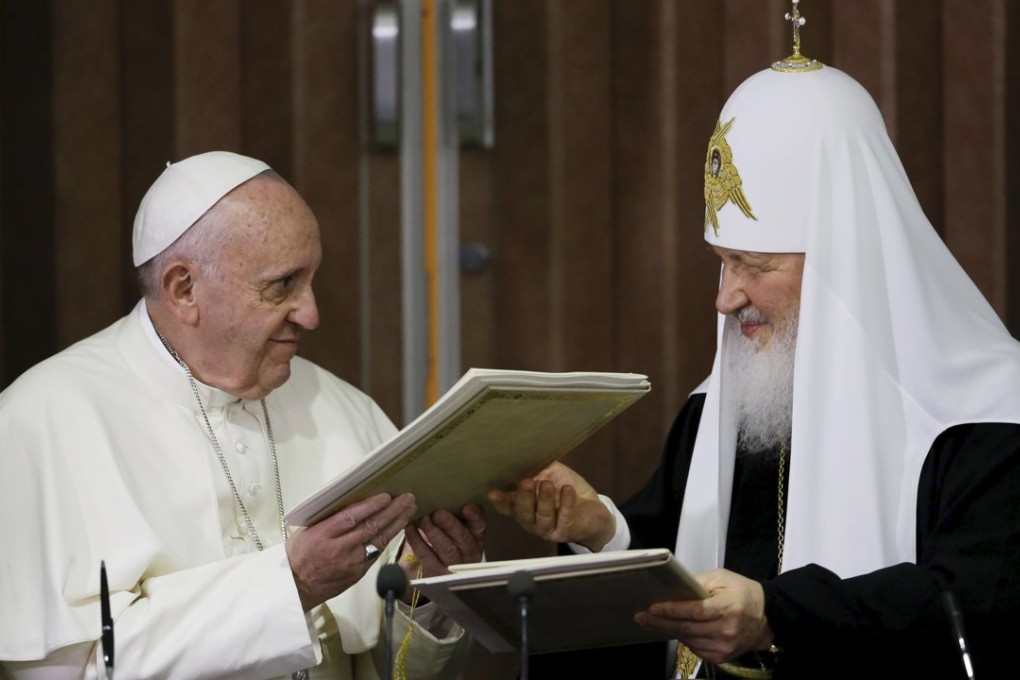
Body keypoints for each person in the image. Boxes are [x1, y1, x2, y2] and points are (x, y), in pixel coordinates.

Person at [489, 36, 1020, 680]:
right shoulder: (726, 405)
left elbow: (977, 610)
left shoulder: (984, 416)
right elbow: (676, 561)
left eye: (755, 265)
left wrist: (778, 615)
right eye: (721, 262)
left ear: (842, 265)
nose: (726, 297)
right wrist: (603, 527)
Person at [0, 151, 486, 679]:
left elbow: (394, 668)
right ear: (184, 289)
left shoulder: (343, 409)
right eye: (282, 285)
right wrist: (293, 584)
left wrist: (423, 596)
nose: (311, 313)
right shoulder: (43, 420)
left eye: (311, 280)